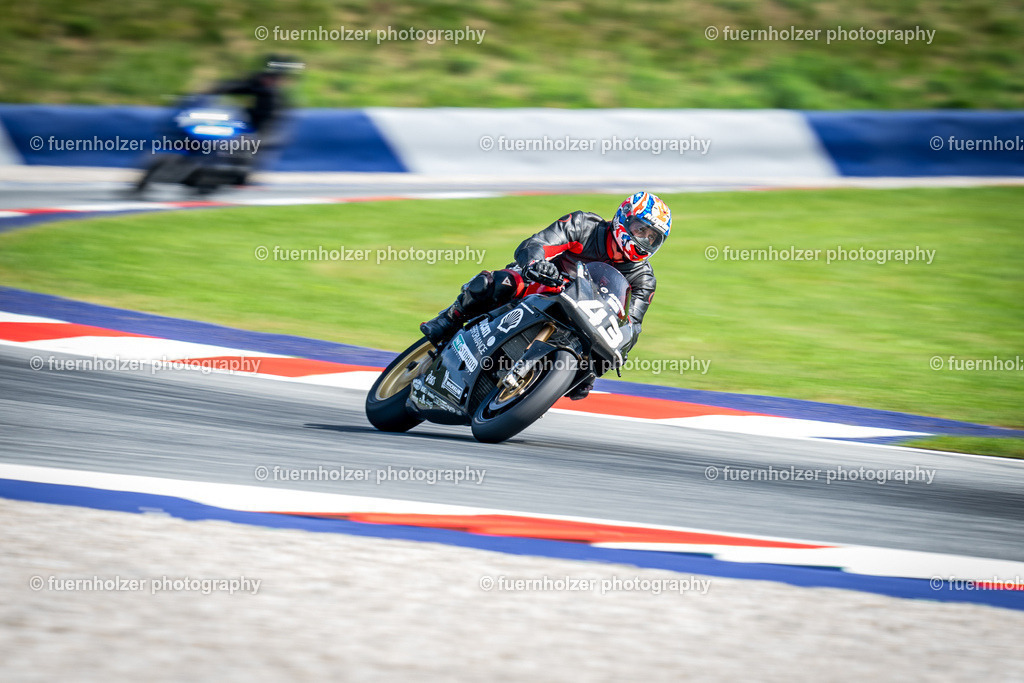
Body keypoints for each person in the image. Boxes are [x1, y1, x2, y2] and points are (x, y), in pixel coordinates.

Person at [420, 191, 672, 400]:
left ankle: (539, 387)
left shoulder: (644, 279)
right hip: (545, 285)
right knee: (497, 283)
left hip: (587, 321)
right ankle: (450, 318)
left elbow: (631, 324)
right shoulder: (584, 225)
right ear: (624, 218)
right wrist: (537, 263)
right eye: (641, 230)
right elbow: (537, 243)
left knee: (593, 369)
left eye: (652, 238)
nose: (644, 240)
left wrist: (617, 351)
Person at [209, 54, 304, 137]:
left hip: (275, 132)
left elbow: (290, 116)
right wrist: (211, 91)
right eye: (270, 76)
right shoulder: (257, 84)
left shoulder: (285, 98)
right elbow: (234, 86)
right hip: (254, 128)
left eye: (278, 77)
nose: (272, 80)